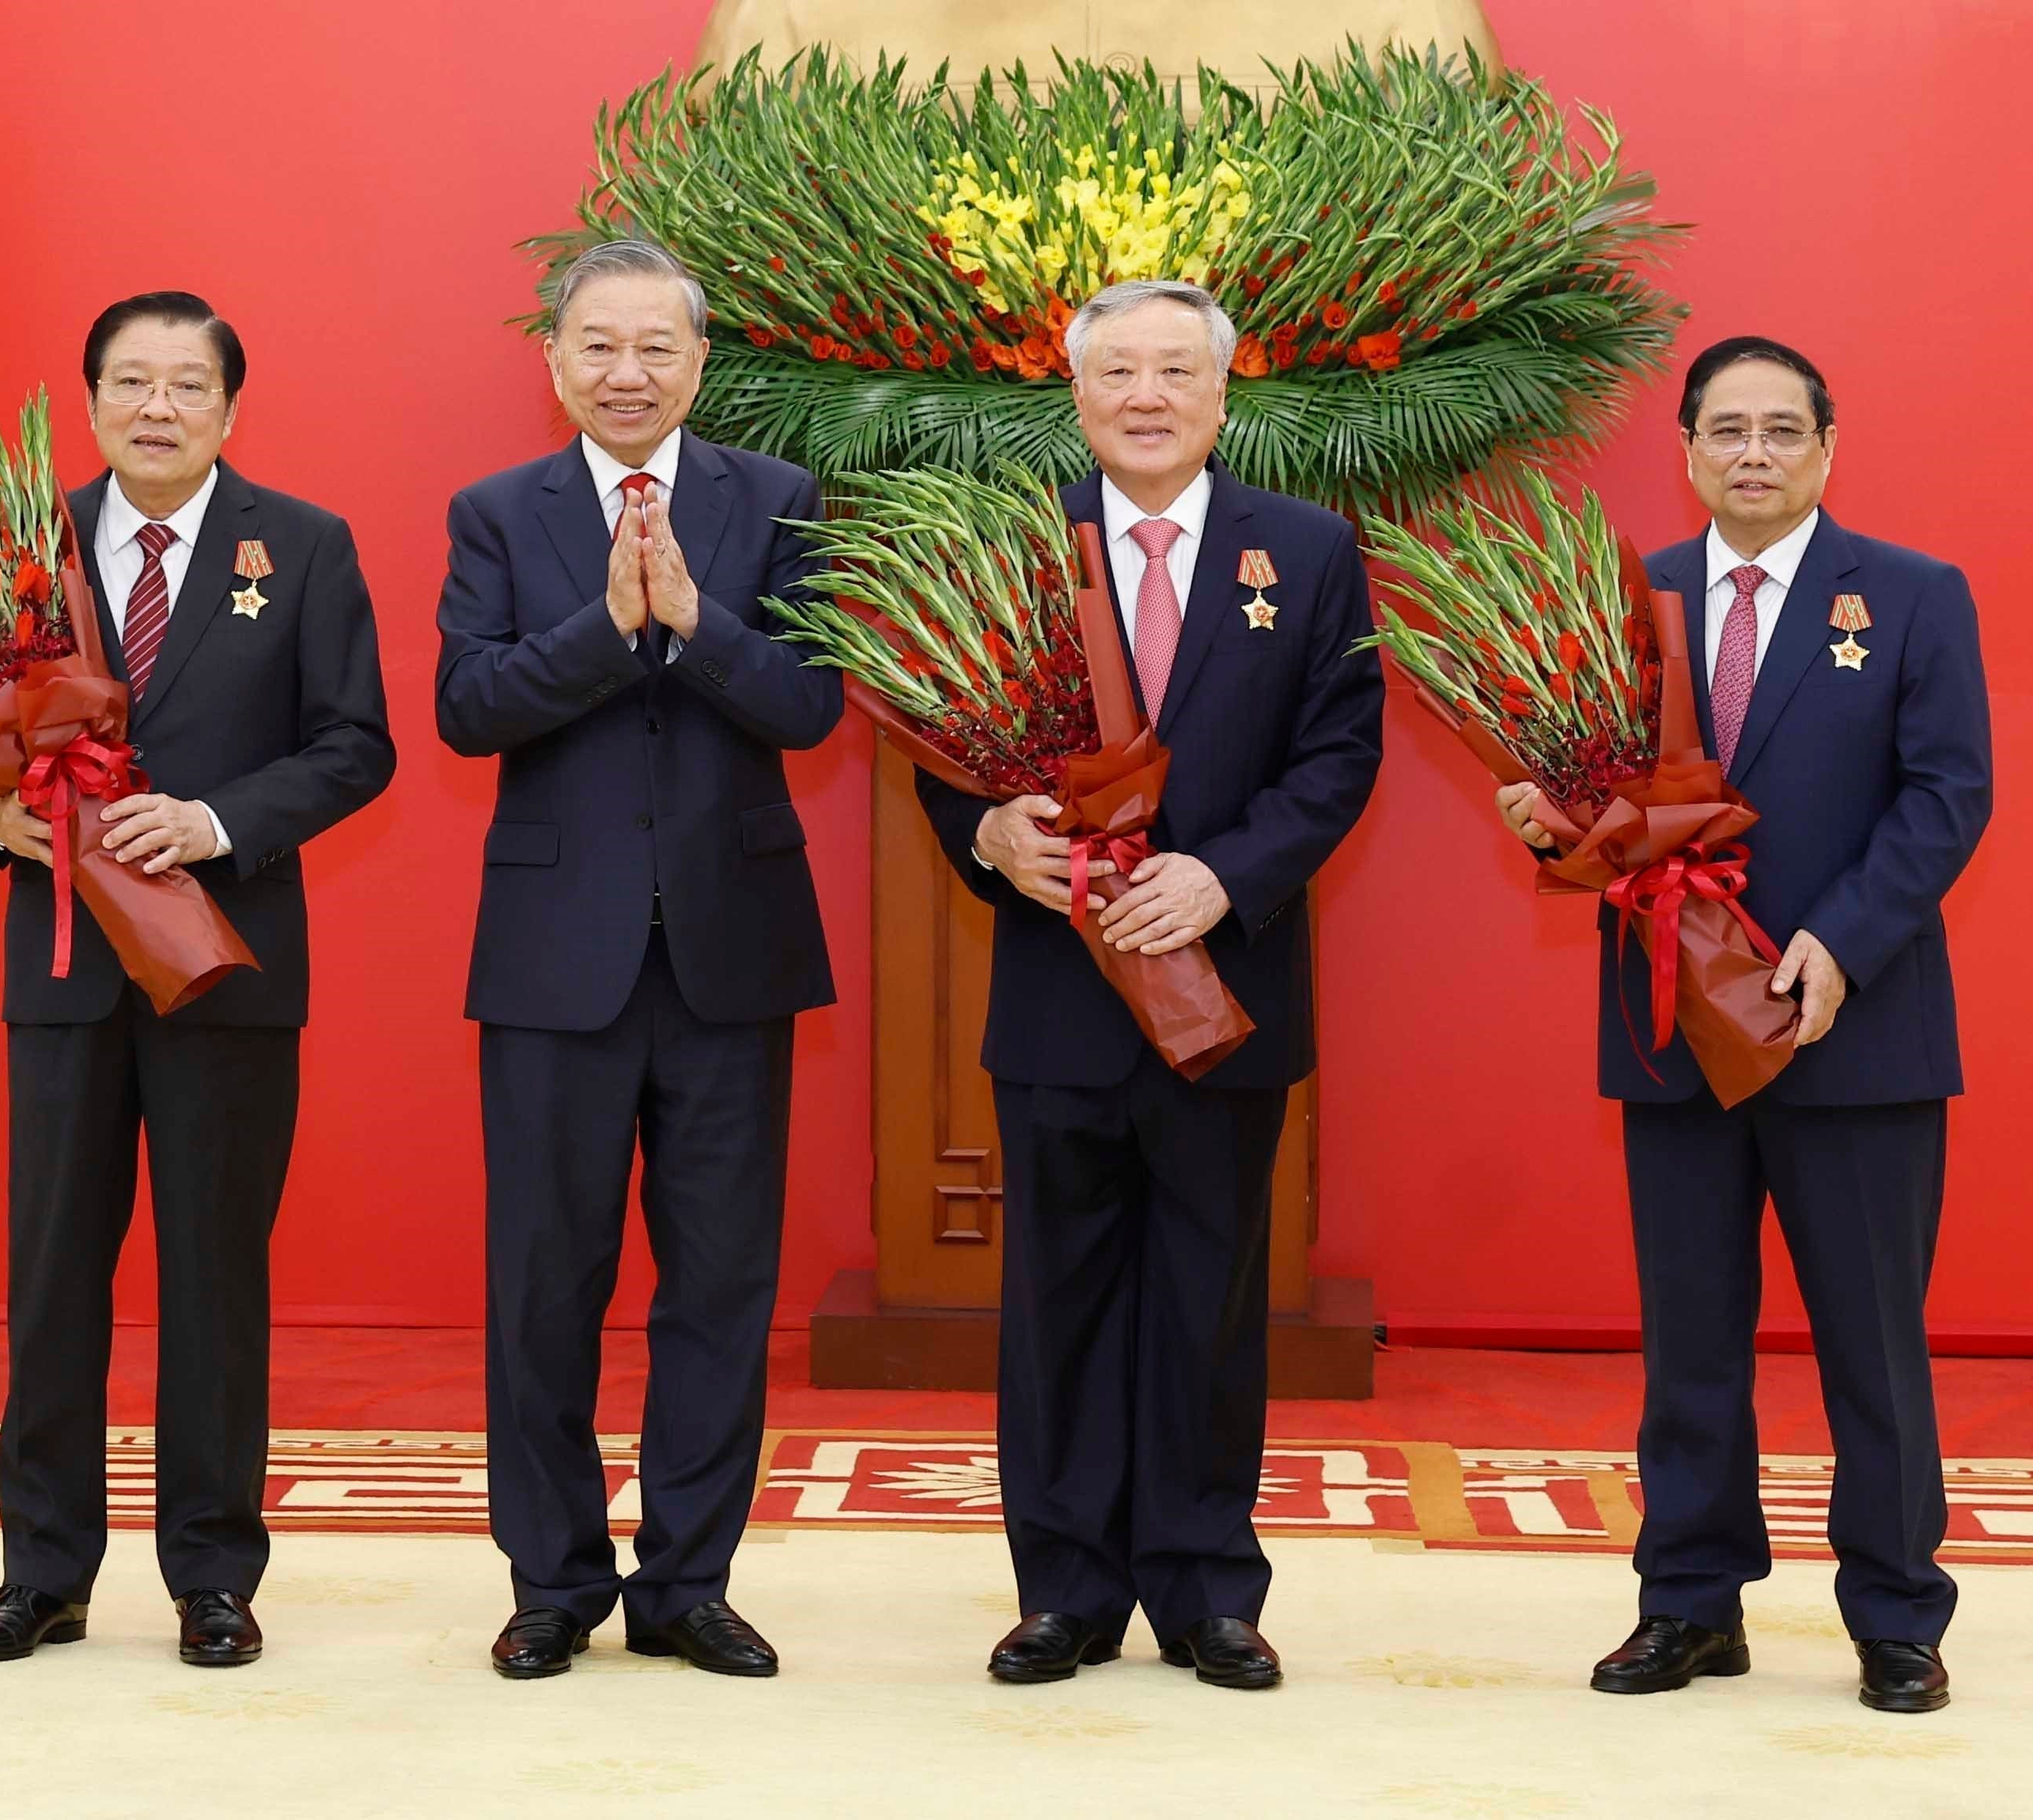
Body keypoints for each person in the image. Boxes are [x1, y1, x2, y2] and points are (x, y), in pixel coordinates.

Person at [1497, 337, 1993, 1714]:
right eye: (1727, 429)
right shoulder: (1629, 598)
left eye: (1783, 428)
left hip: (1855, 1028)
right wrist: (1548, 832)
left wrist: (1837, 940)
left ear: (1827, 447)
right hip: (1673, 1031)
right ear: (1687, 447)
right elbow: (1589, 802)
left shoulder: (1905, 596)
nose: (1754, 452)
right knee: (1692, 1335)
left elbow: (1948, 796)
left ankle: (1896, 1613)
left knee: (1869, 1340)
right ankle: (1687, 1604)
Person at [917, 279, 1384, 1692]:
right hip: (1060, 992)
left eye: (1174, 371)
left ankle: (1203, 1587)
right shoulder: (1012, 548)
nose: (1144, 395)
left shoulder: (1300, 550)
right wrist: (986, 832)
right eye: (1115, 370)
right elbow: (940, 736)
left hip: (1221, 996)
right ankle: (1062, 1587)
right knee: (1053, 1297)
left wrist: (1225, 876)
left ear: (1220, 395)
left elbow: (1339, 754)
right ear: (1075, 395)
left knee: (1208, 1293)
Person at [0, 292, 394, 1669]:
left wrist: (214, 822)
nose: (156, 406)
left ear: (228, 408)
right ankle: (41, 1573)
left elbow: (355, 743)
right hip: (67, 967)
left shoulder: (303, 548)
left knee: (213, 1273)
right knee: (53, 1272)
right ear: (87, 402)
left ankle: (212, 1572)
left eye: (185, 384)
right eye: (129, 381)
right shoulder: (22, 546)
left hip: (223, 968)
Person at [437, 237, 842, 1681]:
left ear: (699, 363)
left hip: (731, 953)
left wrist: (695, 620)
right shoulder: (498, 513)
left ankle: (688, 1577)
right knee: (543, 1281)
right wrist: (609, 628)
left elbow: (809, 705)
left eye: (655, 347)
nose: (626, 372)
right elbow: (468, 708)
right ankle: (551, 1580)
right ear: (552, 359)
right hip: (555, 961)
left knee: (721, 1283)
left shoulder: (777, 502)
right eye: (597, 346)